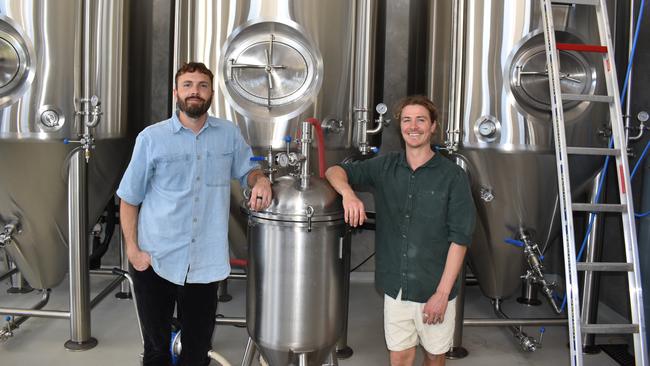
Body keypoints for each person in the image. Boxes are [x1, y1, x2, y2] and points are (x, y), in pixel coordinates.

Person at [117, 62, 272, 366]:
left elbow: (248, 171)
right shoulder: (151, 138)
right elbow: (128, 198)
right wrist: (133, 251)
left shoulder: (228, 134)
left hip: (205, 261)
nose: (194, 92)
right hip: (156, 258)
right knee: (156, 350)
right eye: (187, 85)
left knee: (197, 351)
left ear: (211, 93)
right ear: (176, 92)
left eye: (202, 85)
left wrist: (261, 179)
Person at [325, 95, 475, 366]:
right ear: (400, 126)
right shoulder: (385, 166)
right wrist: (348, 194)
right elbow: (334, 171)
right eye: (407, 120)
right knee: (400, 357)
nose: (413, 126)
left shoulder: (453, 176)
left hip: (434, 287)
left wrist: (441, 295)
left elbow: (460, 239)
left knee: (434, 357)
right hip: (397, 289)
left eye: (421, 120)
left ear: (433, 127)